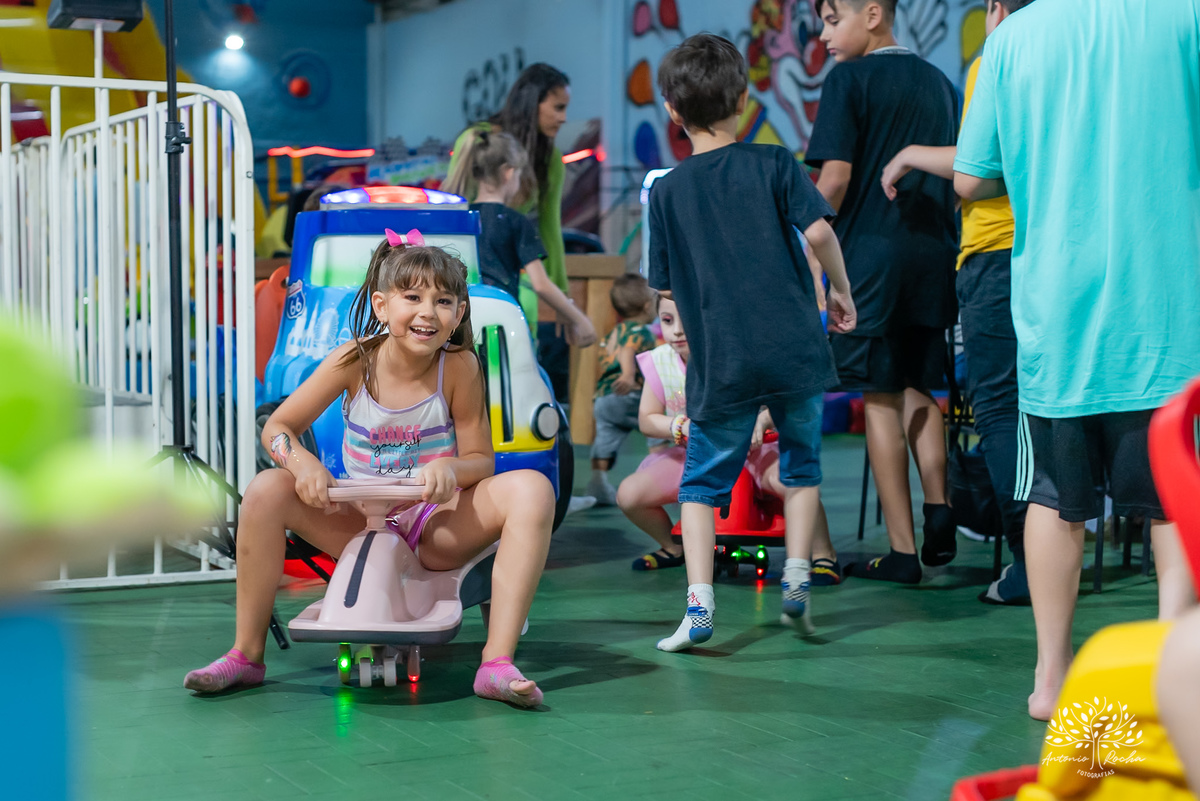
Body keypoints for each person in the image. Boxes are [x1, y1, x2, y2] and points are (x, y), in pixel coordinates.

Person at [183, 233, 556, 709]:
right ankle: (246, 654)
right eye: (413, 297)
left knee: (533, 489)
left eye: (443, 301)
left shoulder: (459, 366)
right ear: (381, 305)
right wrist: (303, 465)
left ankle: (496, 663)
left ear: (459, 314)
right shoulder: (352, 360)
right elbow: (277, 427)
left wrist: (451, 468)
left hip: (433, 525)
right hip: (359, 523)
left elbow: (482, 460)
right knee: (265, 490)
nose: (428, 312)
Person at [954, 0, 1200, 719]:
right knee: (1170, 505)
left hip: (1059, 317)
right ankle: (1174, 671)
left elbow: (972, 178)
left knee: (1055, 500)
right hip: (1166, 313)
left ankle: (1051, 680)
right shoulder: (1184, 18)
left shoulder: (1011, 40)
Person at [647, 33, 856, 651]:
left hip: (725, 359)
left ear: (672, 111)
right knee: (802, 464)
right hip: (794, 348)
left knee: (700, 487)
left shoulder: (667, 191)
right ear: (742, 99)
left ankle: (700, 608)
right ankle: (796, 576)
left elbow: (666, 286)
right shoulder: (773, 163)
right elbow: (819, 234)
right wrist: (839, 292)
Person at [878, 0, 1037, 605]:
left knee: (998, 408)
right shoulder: (1073, 58)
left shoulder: (997, 57)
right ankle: (1074, 534)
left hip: (995, 254)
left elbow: (975, 175)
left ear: (996, 10)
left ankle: (1028, 561)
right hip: (1057, 252)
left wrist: (910, 155)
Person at [806, 0, 960, 585]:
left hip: (867, 258)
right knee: (921, 384)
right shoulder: (941, 83)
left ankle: (901, 551)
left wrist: (808, 249)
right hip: (933, 253)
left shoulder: (848, 79)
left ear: (873, 14)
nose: (824, 35)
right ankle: (939, 505)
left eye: (831, 19)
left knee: (878, 396)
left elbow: (836, 179)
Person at [618, 296, 844, 580]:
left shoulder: (739, 353)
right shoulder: (660, 362)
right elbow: (647, 420)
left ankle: (824, 554)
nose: (676, 330)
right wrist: (681, 427)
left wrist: (763, 419)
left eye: (686, 320)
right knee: (629, 495)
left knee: (793, 481)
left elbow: (788, 398)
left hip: (757, 449)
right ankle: (674, 548)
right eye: (667, 320)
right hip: (698, 452)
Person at [446, 64, 575, 399]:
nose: (563, 118)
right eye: (558, 107)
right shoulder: (479, 139)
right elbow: (453, 205)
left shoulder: (551, 158)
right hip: (464, 269)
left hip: (510, 273)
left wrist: (561, 297)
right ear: (533, 103)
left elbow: (549, 227)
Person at [455, 128, 597, 348]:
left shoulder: (460, 218)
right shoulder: (516, 222)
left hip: (462, 322)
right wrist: (580, 319)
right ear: (509, 173)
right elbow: (541, 284)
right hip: (501, 322)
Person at [587, 274, 658, 505]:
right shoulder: (640, 331)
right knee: (656, 427)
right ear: (648, 306)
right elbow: (628, 351)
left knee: (604, 441)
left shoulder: (612, 333)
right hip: (629, 395)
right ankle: (659, 472)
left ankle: (598, 481)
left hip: (604, 398)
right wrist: (628, 375)